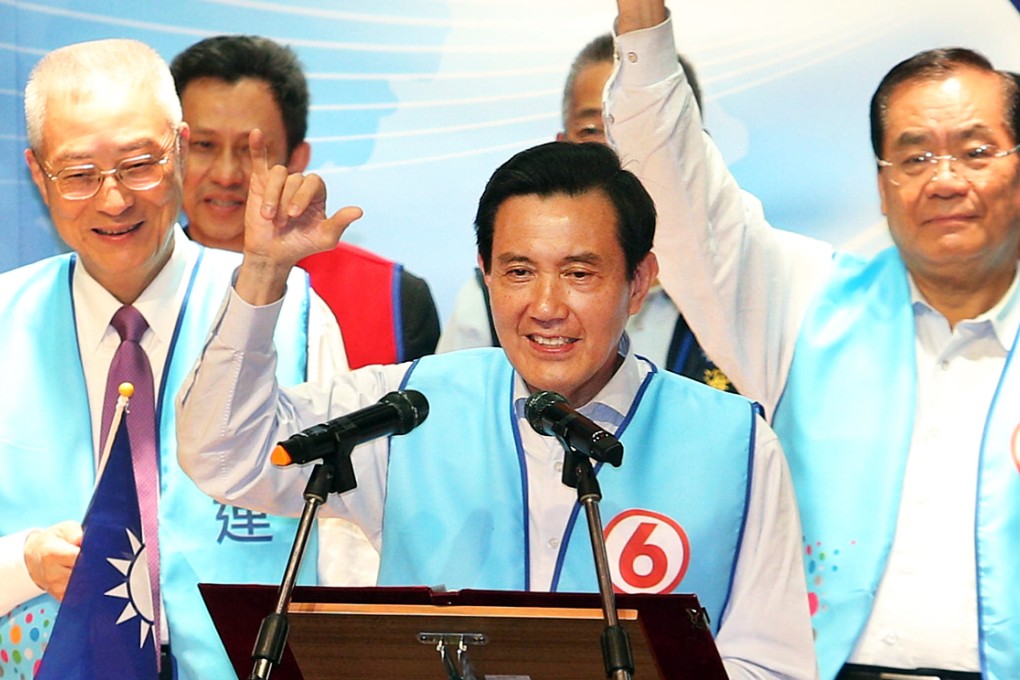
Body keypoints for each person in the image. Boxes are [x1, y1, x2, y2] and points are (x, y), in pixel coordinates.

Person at [176, 140, 818, 679]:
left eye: (579, 273)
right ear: (484, 272)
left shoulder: (734, 445)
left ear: (639, 281)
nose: (546, 306)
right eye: (518, 271)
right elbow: (226, 455)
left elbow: (773, 665)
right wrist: (262, 273)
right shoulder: (408, 409)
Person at [605, 1, 1020, 678]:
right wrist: (643, 24)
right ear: (882, 185)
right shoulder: (806, 304)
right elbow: (680, 199)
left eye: (975, 151)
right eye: (914, 156)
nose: (945, 180)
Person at [0, 38, 357, 680]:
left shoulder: (288, 314)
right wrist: (22, 560)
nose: (114, 201)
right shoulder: (4, 321)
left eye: (139, 165)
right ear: (37, 173)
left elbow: (348, 536)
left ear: (180, 148)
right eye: (79, 175)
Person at [437, 34, 732, 392]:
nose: (618, 151)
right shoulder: (486, 304)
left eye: (644, 131)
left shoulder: (741, 294)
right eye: (592, 131)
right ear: (562, 147)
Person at [170, 35, 441, 370]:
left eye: (253, 150)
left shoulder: (392, 297)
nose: (226, 175)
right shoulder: (133, 284)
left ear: (297, 158)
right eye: (203, 145)